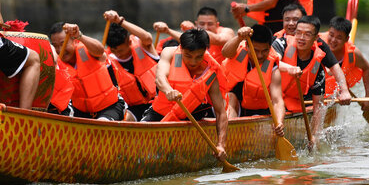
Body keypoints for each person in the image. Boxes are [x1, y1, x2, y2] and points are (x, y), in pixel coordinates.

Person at [141, 29, 229, 162]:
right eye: (188, 56)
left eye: (199, 56)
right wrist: (168, 90)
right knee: (140, 141)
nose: (193, 62)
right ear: (181, 48)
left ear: (205, 51)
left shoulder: (210, 72)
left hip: (189, 116)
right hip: (160, 112)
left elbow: (221, 112)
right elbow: (159, 78)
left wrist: (221, 145)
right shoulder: (169, 53)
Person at [274, 16, 351, 144]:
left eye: (307, 34)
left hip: (296, 102)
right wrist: (289, 68)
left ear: (316, 38)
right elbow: (272, 62)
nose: (301, 38)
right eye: (298, 33)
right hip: (272, 100)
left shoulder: (318, 68)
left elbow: (318, 105)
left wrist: (315, 135)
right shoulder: (281, 43)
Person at [51, 22, 126, 121]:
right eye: (55, 46)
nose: (60, 49)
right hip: (81, 112)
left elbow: (100, 50)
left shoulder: (88, 50)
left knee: (101, 123)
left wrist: (79, 35)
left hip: (110, 107)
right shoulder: (57, 64)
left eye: (63, 43)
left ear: (74, 41)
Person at [220, 25, 285, 137]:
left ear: (270, 48)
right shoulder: (237, 50)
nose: (259, 55)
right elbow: (225, 52)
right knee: (230, 97)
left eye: (265, 51)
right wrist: (239, 37)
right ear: (247, 46)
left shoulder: (273, 68)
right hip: (233, 105)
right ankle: (230, 136)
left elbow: (277, 100)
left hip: (257, 109)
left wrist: (279, 122)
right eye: (255, 50)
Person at [103, 10, 159, 121]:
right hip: (135, 107)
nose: (118, 54)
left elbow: (147, 37)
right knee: (126, 120)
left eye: (121, 50)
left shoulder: (143, 47)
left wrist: (119, 21)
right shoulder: (108, 60)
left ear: (129, 42)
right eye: (114, 50)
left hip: (158, 101)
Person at [319, 17, 369, 110]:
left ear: (346, 39)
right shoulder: (315, 42)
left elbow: (367, 69)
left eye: (339, 37)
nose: (333, 40)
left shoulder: (353, 53)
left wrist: (368, 98)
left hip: (334, 93)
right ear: (328, 32)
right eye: (331, 35)